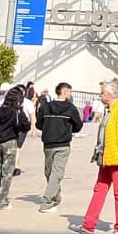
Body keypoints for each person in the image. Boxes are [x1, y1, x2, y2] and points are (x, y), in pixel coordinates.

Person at [70, 79, 118, 234]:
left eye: (102, 93)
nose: (101, 95)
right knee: (99, 189)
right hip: (106, 156)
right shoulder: (110, 109)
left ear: (111, 94)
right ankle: (88, 225)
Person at [36, 82, 84, 211]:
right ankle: (49, 200)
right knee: (53, 173)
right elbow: (78, 125)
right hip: (61, 143)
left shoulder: (45, 107)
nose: (70, 94)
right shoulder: (69, 108)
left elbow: (39, 124)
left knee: (52, 172)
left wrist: (49, 128)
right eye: (69, 91)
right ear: (65, 92)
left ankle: (51, 198)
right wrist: (67, 129)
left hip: (50, 143)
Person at [0, 86, 30, 211]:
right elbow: (26, 126)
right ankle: (2, 200)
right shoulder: (16, 112)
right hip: (9, 141)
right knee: (7, 173)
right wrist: (21, 112)